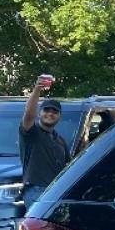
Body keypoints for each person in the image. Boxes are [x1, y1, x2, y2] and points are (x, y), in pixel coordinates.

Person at [19, 76, 70, 208]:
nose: (50, 114)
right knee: (40, 227)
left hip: (56, 192)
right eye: (46, 110)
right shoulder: (31, 132)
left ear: (60, 116)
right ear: (39, 113)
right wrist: (37, 89)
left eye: (55, 111)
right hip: (36, 191)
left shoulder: (60, 140)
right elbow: (29, 114)